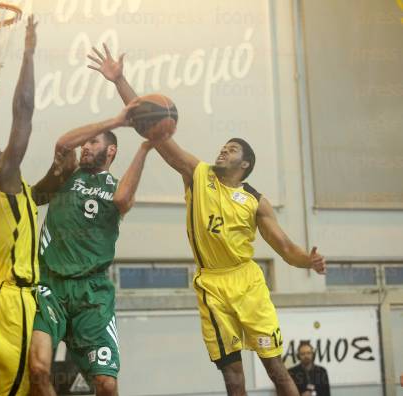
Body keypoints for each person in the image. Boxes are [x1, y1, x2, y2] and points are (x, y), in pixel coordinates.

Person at [88, 44, 327, 396]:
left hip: (247, 284)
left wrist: (308, 260)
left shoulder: (256, 202)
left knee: (276, 370)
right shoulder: (198, 175)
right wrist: (120, 80)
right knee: (232, 378)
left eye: (231, 149)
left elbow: (285, 247)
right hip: (212, 286)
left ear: (244, 164)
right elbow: (152, 128)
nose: (222, 150)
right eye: (223, 146)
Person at [0, 16, 75, 395]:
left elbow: (40, 195)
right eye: (0, 151)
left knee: (32, 382)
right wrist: (28, 53)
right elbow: (23, 114)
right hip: (4, 295)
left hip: (25, 295)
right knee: (5, 388)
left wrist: (60, 171)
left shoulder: (7, 191)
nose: (6, 151)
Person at [28, 101, 154, 396]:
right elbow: (62, 144)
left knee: (106, 384)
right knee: (37, 369)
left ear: (111, 151)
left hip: (92, 293)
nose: (85, 146)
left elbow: (123, 200)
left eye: (93, 143)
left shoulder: (117, 188)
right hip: (50, 286)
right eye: (85, 142)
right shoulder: (68, 174)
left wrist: (146, 148)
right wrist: (114, 121)